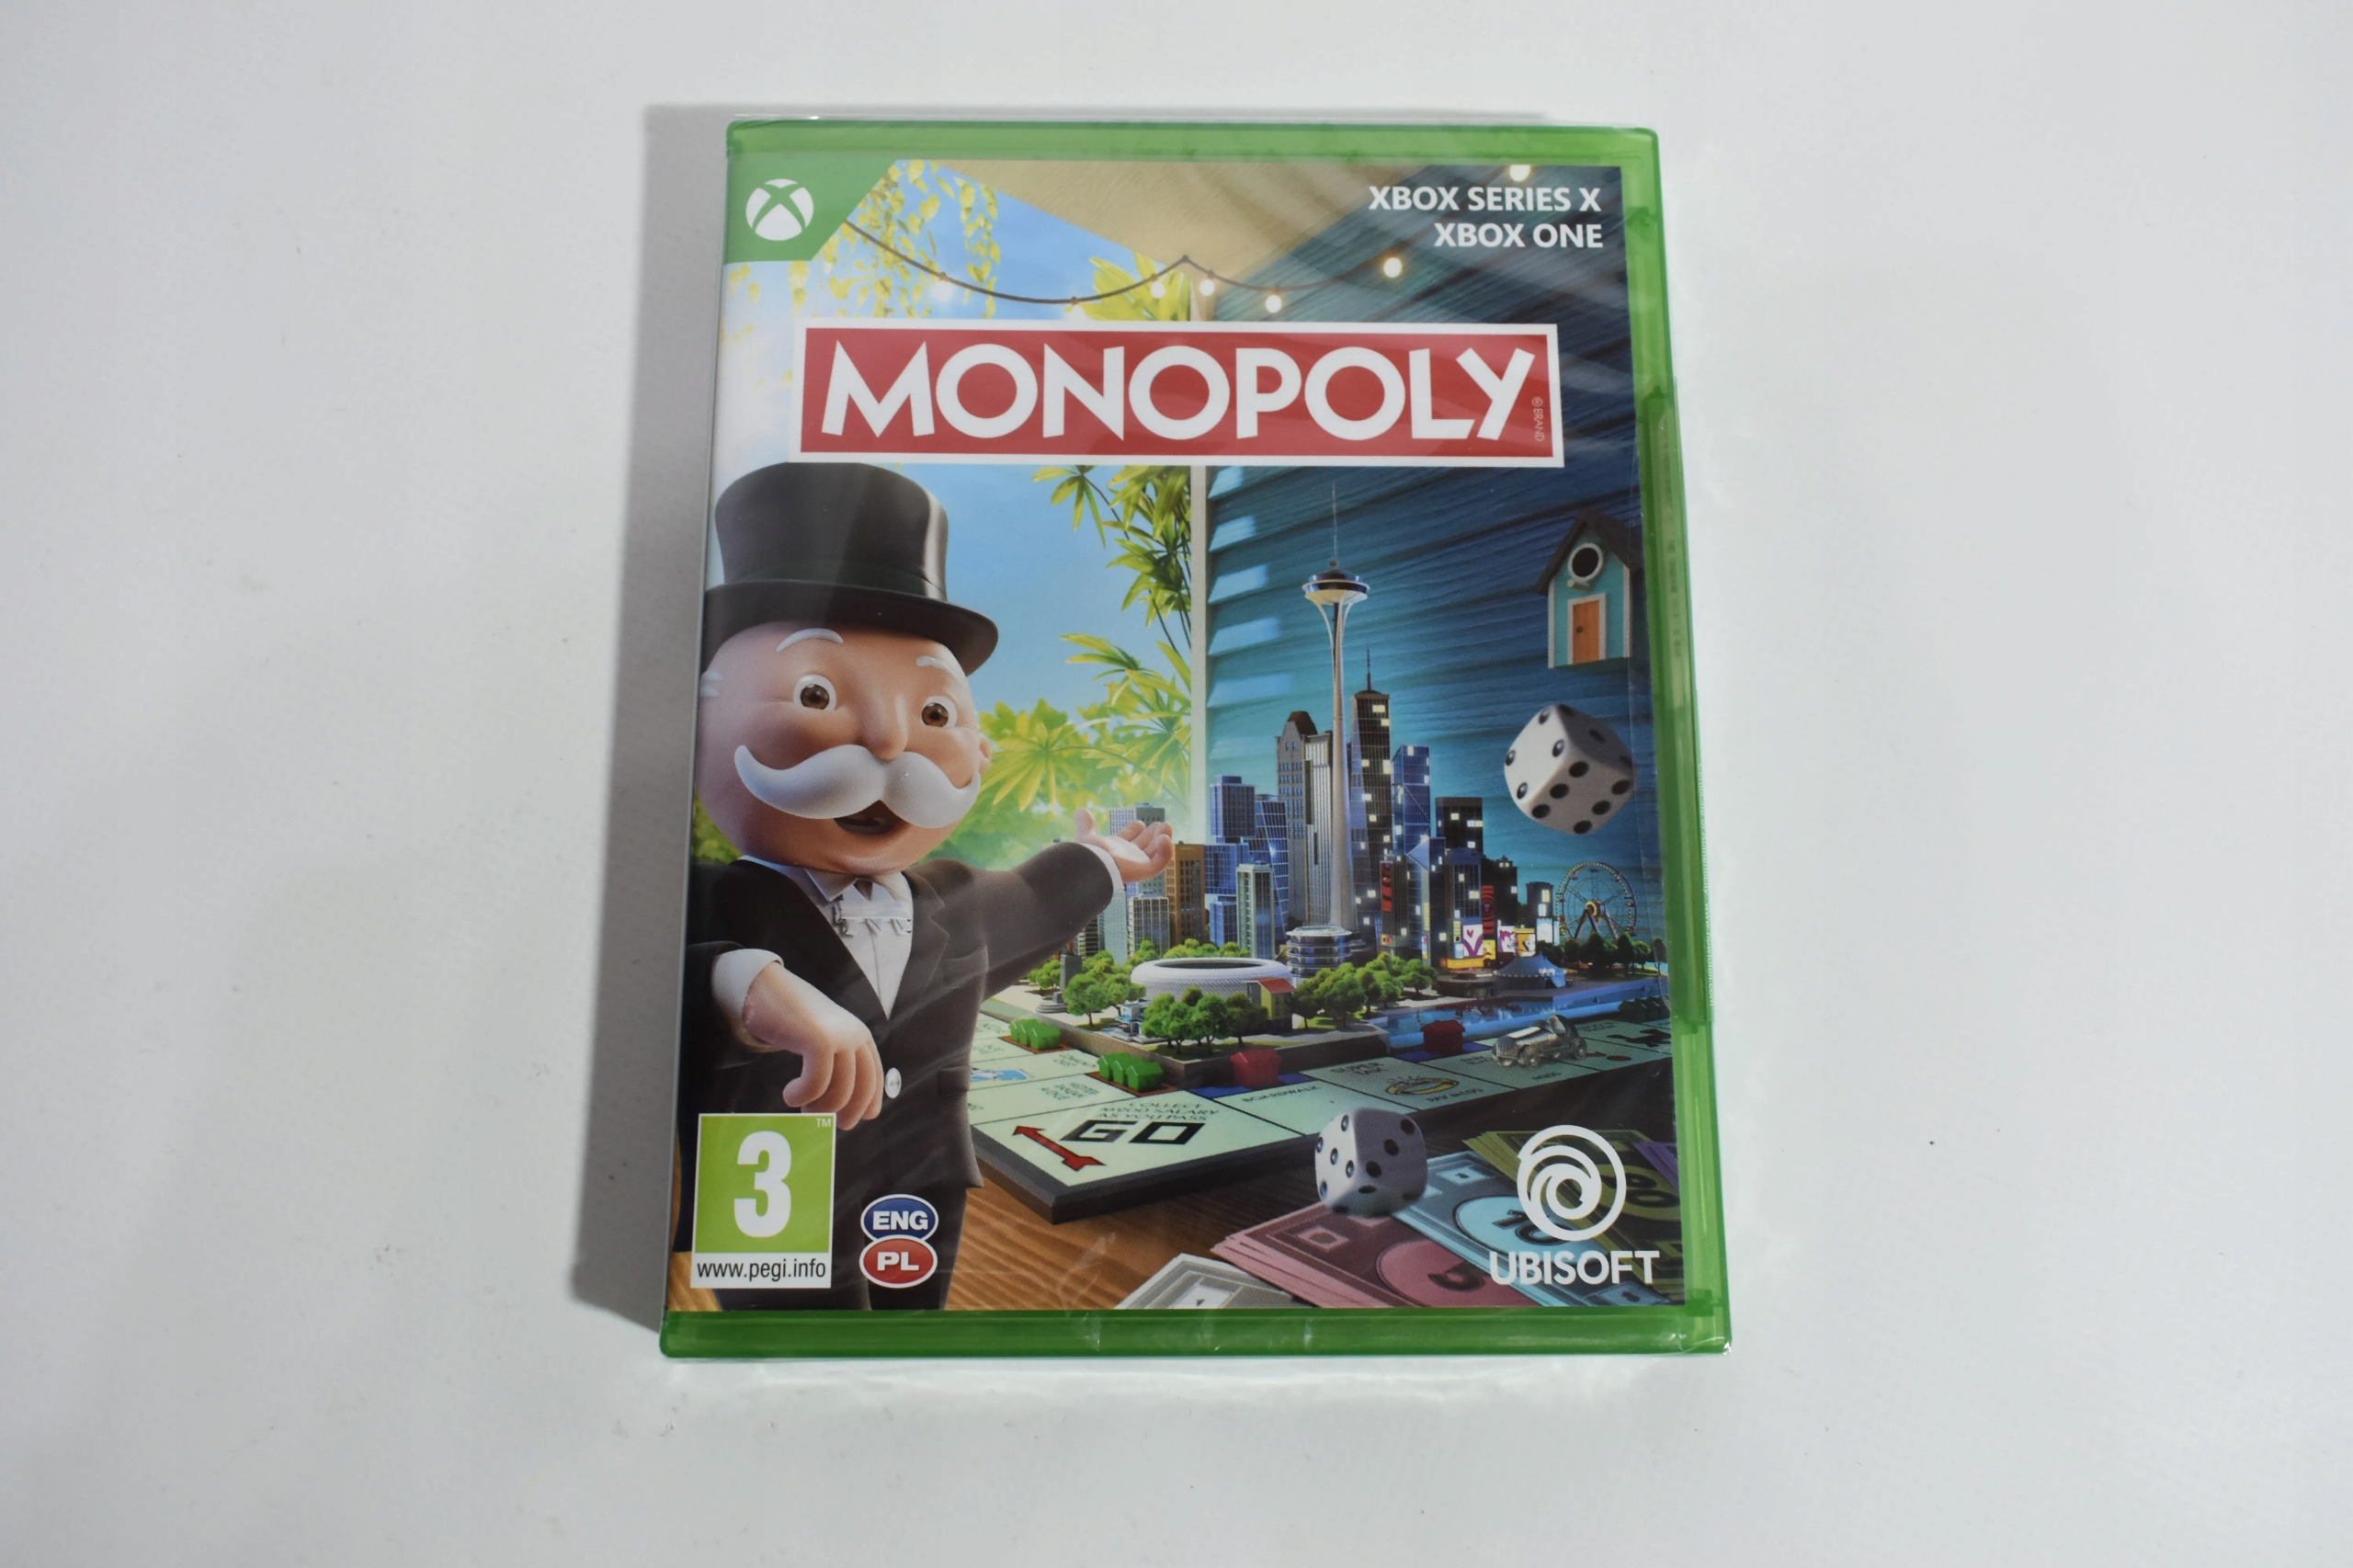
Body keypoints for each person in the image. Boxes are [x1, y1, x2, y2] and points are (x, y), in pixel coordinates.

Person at [673, 461, 1172, 1309]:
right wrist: (752, 985)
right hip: (771, 1174)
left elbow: (1037, 897)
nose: (887, 738)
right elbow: (657, 969)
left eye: (935, 713)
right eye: (817, 693)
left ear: (979, 755)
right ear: (697, 724)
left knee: (913, 1332)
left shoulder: (954, 900)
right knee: (789, 1348)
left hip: (924, 1174)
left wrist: (1103, 860)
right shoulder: (707, 897)